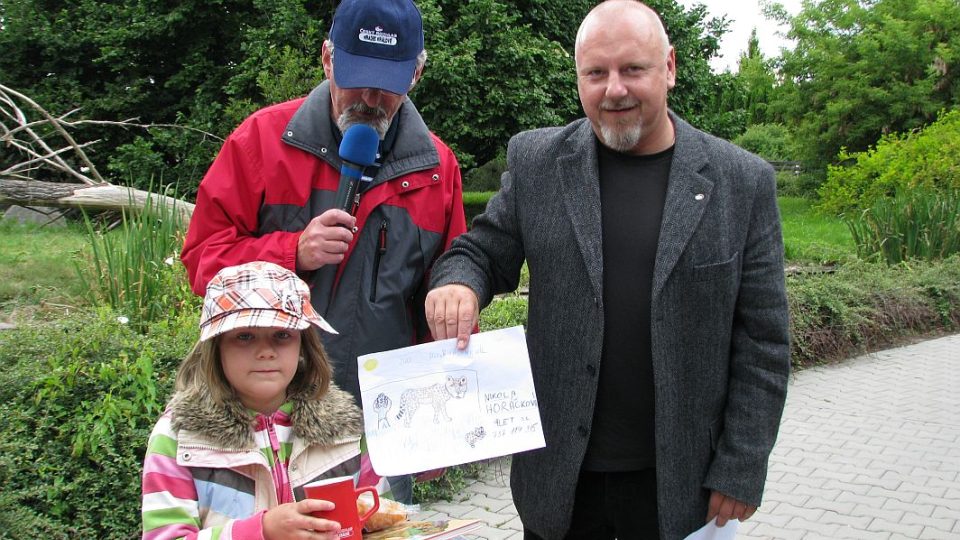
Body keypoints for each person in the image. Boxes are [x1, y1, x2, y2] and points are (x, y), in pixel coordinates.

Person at [425, 1, 791, 539]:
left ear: (668, 67)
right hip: (561, 484)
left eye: (632, 70)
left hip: (683, 487)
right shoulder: (537, 162)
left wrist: (741, 465)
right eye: (596, 73)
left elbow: (763, 343)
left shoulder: (742, 182)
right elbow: (481, 251)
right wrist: (458, 282)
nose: (613, 89)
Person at [180, 0, 467, 502]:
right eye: (357, 76)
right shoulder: (260, 143)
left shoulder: (438, 168)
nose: (371, 98)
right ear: (328, 59)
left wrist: (440, 422)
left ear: (416, 75)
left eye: (389, 85)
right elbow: (203, 260)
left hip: (381, 426)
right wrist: (292, 251)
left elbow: (442, 306)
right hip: (266, 422)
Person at [140, 261, 364, 540]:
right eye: (244, 336)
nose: (266, 351)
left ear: (303, 344)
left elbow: (381, 518)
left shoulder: (345, 429)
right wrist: (261, 531)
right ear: (216, 346)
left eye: (282, 335)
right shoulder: (178, 438)